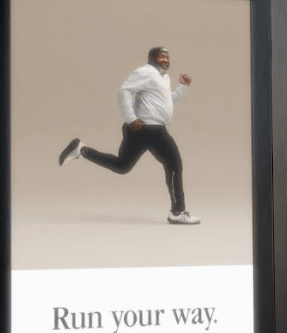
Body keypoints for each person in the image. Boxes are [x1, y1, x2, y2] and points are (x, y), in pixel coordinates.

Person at [58, 47, 200, 225]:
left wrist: (183, 87)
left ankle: (81, 149)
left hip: (144, 130)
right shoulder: (145, 72)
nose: (165, 60)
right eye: (161, 57)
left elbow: (167, 102)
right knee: (174, 164)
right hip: (151, 129)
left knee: (122, 165)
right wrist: (130, 118)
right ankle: (177, 212)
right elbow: (124, 90)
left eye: (167, 57)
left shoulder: (163, 77)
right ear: (152, 58)